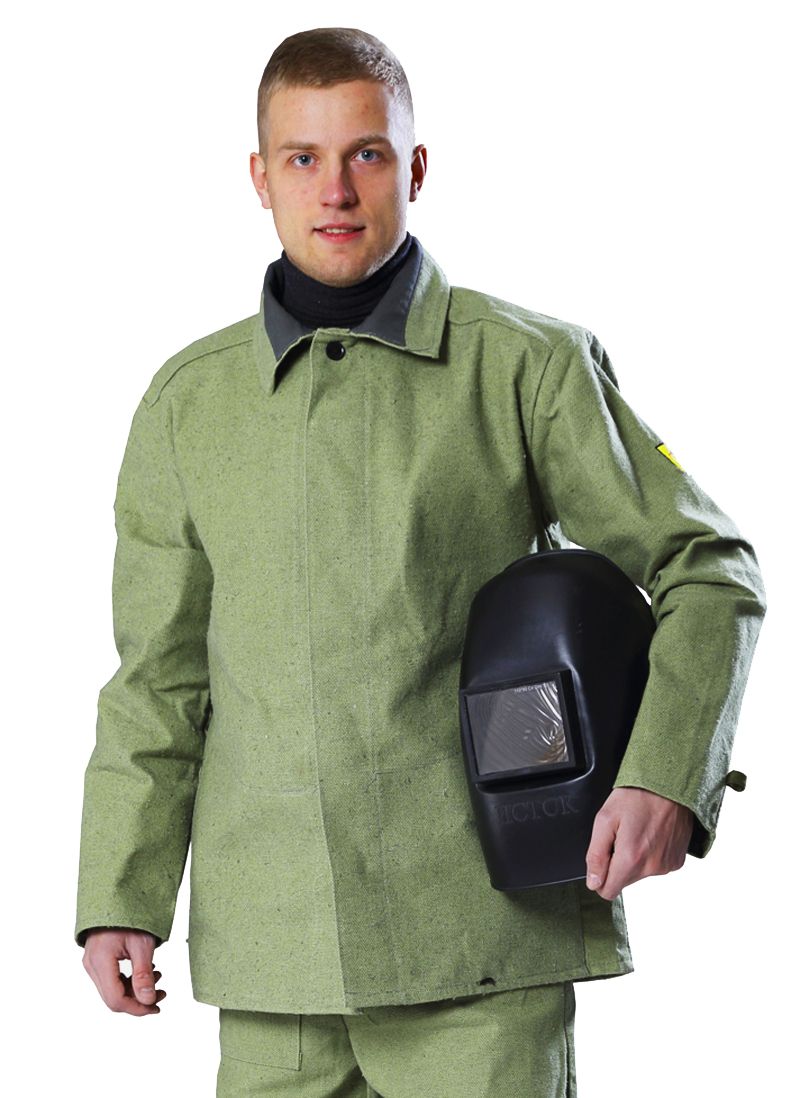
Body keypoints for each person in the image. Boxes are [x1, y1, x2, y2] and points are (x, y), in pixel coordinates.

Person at [74, 26, 766, 1098]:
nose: (335, 189)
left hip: (479, 941)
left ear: (416, 166)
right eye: (302, 157)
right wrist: (120, 893)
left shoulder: (525, 366)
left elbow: (706, 567)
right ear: (259, 178)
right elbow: (157, 677)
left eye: (367, 153)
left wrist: (661, 774)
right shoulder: (187, 404)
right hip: (275, 962)